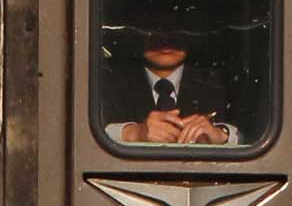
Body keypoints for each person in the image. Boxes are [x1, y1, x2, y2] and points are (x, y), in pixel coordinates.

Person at [102, 12, 246, 147]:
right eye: (153, 32)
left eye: (176, 32)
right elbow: (85, 134)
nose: (165, 41)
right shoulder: (108, 81)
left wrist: (221, 135)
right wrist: (134, 133)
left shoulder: (219, 82)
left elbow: (252, 135)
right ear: (137, 36)